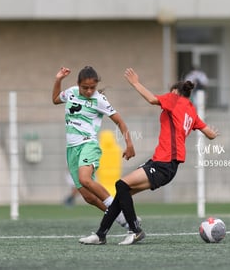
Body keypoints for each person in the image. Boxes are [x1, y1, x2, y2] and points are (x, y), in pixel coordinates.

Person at [79, 68, 218, 245]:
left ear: (175, 92)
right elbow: (210, 134)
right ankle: (101, 234)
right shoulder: (191, 111)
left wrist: (135, 83)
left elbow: (152, 99)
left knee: (121, 185)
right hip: (167, 166)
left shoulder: (175, 99)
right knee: (123, 193)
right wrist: (213, 133)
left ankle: (135, 230)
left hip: (163, 162)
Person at [52, 66, 136, 228]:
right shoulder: (71, 92)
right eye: (85, 87)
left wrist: (129, 143)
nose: (89, 91)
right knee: (88, 197)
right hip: (72, 149)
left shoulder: (100, 100)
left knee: (85, 179)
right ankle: (124, 221)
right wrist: (58, 79)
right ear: (78, 84)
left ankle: (123, 211)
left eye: (92, 87)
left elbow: (120, 121)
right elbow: (55, 99)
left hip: (88, 144)